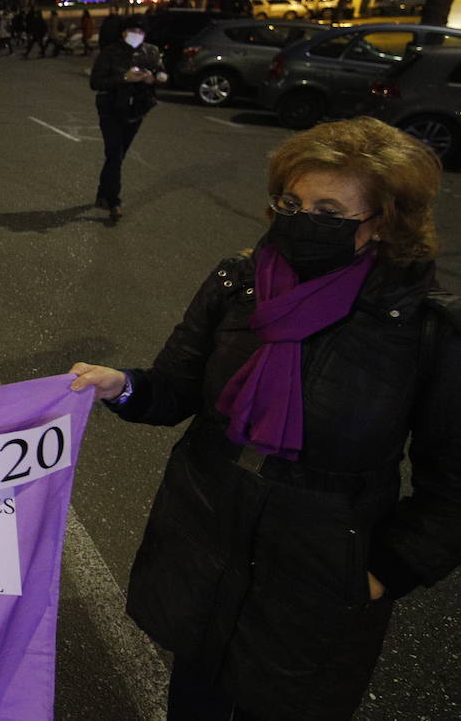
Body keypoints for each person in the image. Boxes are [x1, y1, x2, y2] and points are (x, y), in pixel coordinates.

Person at [67, 117, 461, 721]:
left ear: (382, 221)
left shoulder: (423, 327)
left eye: (329, 211)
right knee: (194, 698)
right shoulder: (239, 283)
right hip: (204, 536)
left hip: (318, 574)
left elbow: (453, 486)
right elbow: (175, 389)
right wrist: (122, 387)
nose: (302, 221)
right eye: (292, 202)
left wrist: (381, 570)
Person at [89, 18, 167, 222]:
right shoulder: (110, 52)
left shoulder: (151, 52)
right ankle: (114, 201)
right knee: (114, 154)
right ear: (123, 32)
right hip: (111, 109)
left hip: (136, 110)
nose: (135, 34)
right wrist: (124, 78)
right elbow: (96, 82)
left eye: (139, 31)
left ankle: (103, 192)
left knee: (118, 155)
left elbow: (162, 74)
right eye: (131, 30)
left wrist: (154, 78)